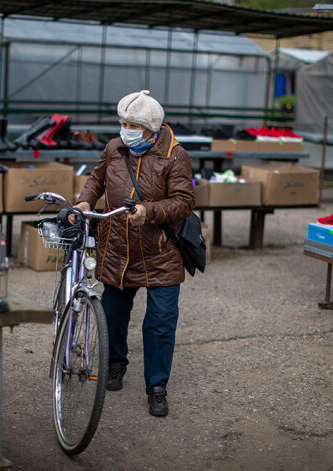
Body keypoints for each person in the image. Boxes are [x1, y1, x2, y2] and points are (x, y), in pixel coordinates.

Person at [75, 90, 194, 417]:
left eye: (132, 125)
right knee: (111, 316)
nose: (125, 129)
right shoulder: (115, 148)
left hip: (160, 252)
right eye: (123, 122)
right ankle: (115, 363)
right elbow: (96, 179)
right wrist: (85, 200)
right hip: (117, 249)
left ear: (151, 128)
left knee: (160, 323)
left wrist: (150, 211)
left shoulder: (174, 155)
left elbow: (185, 201)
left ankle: (157, 386)